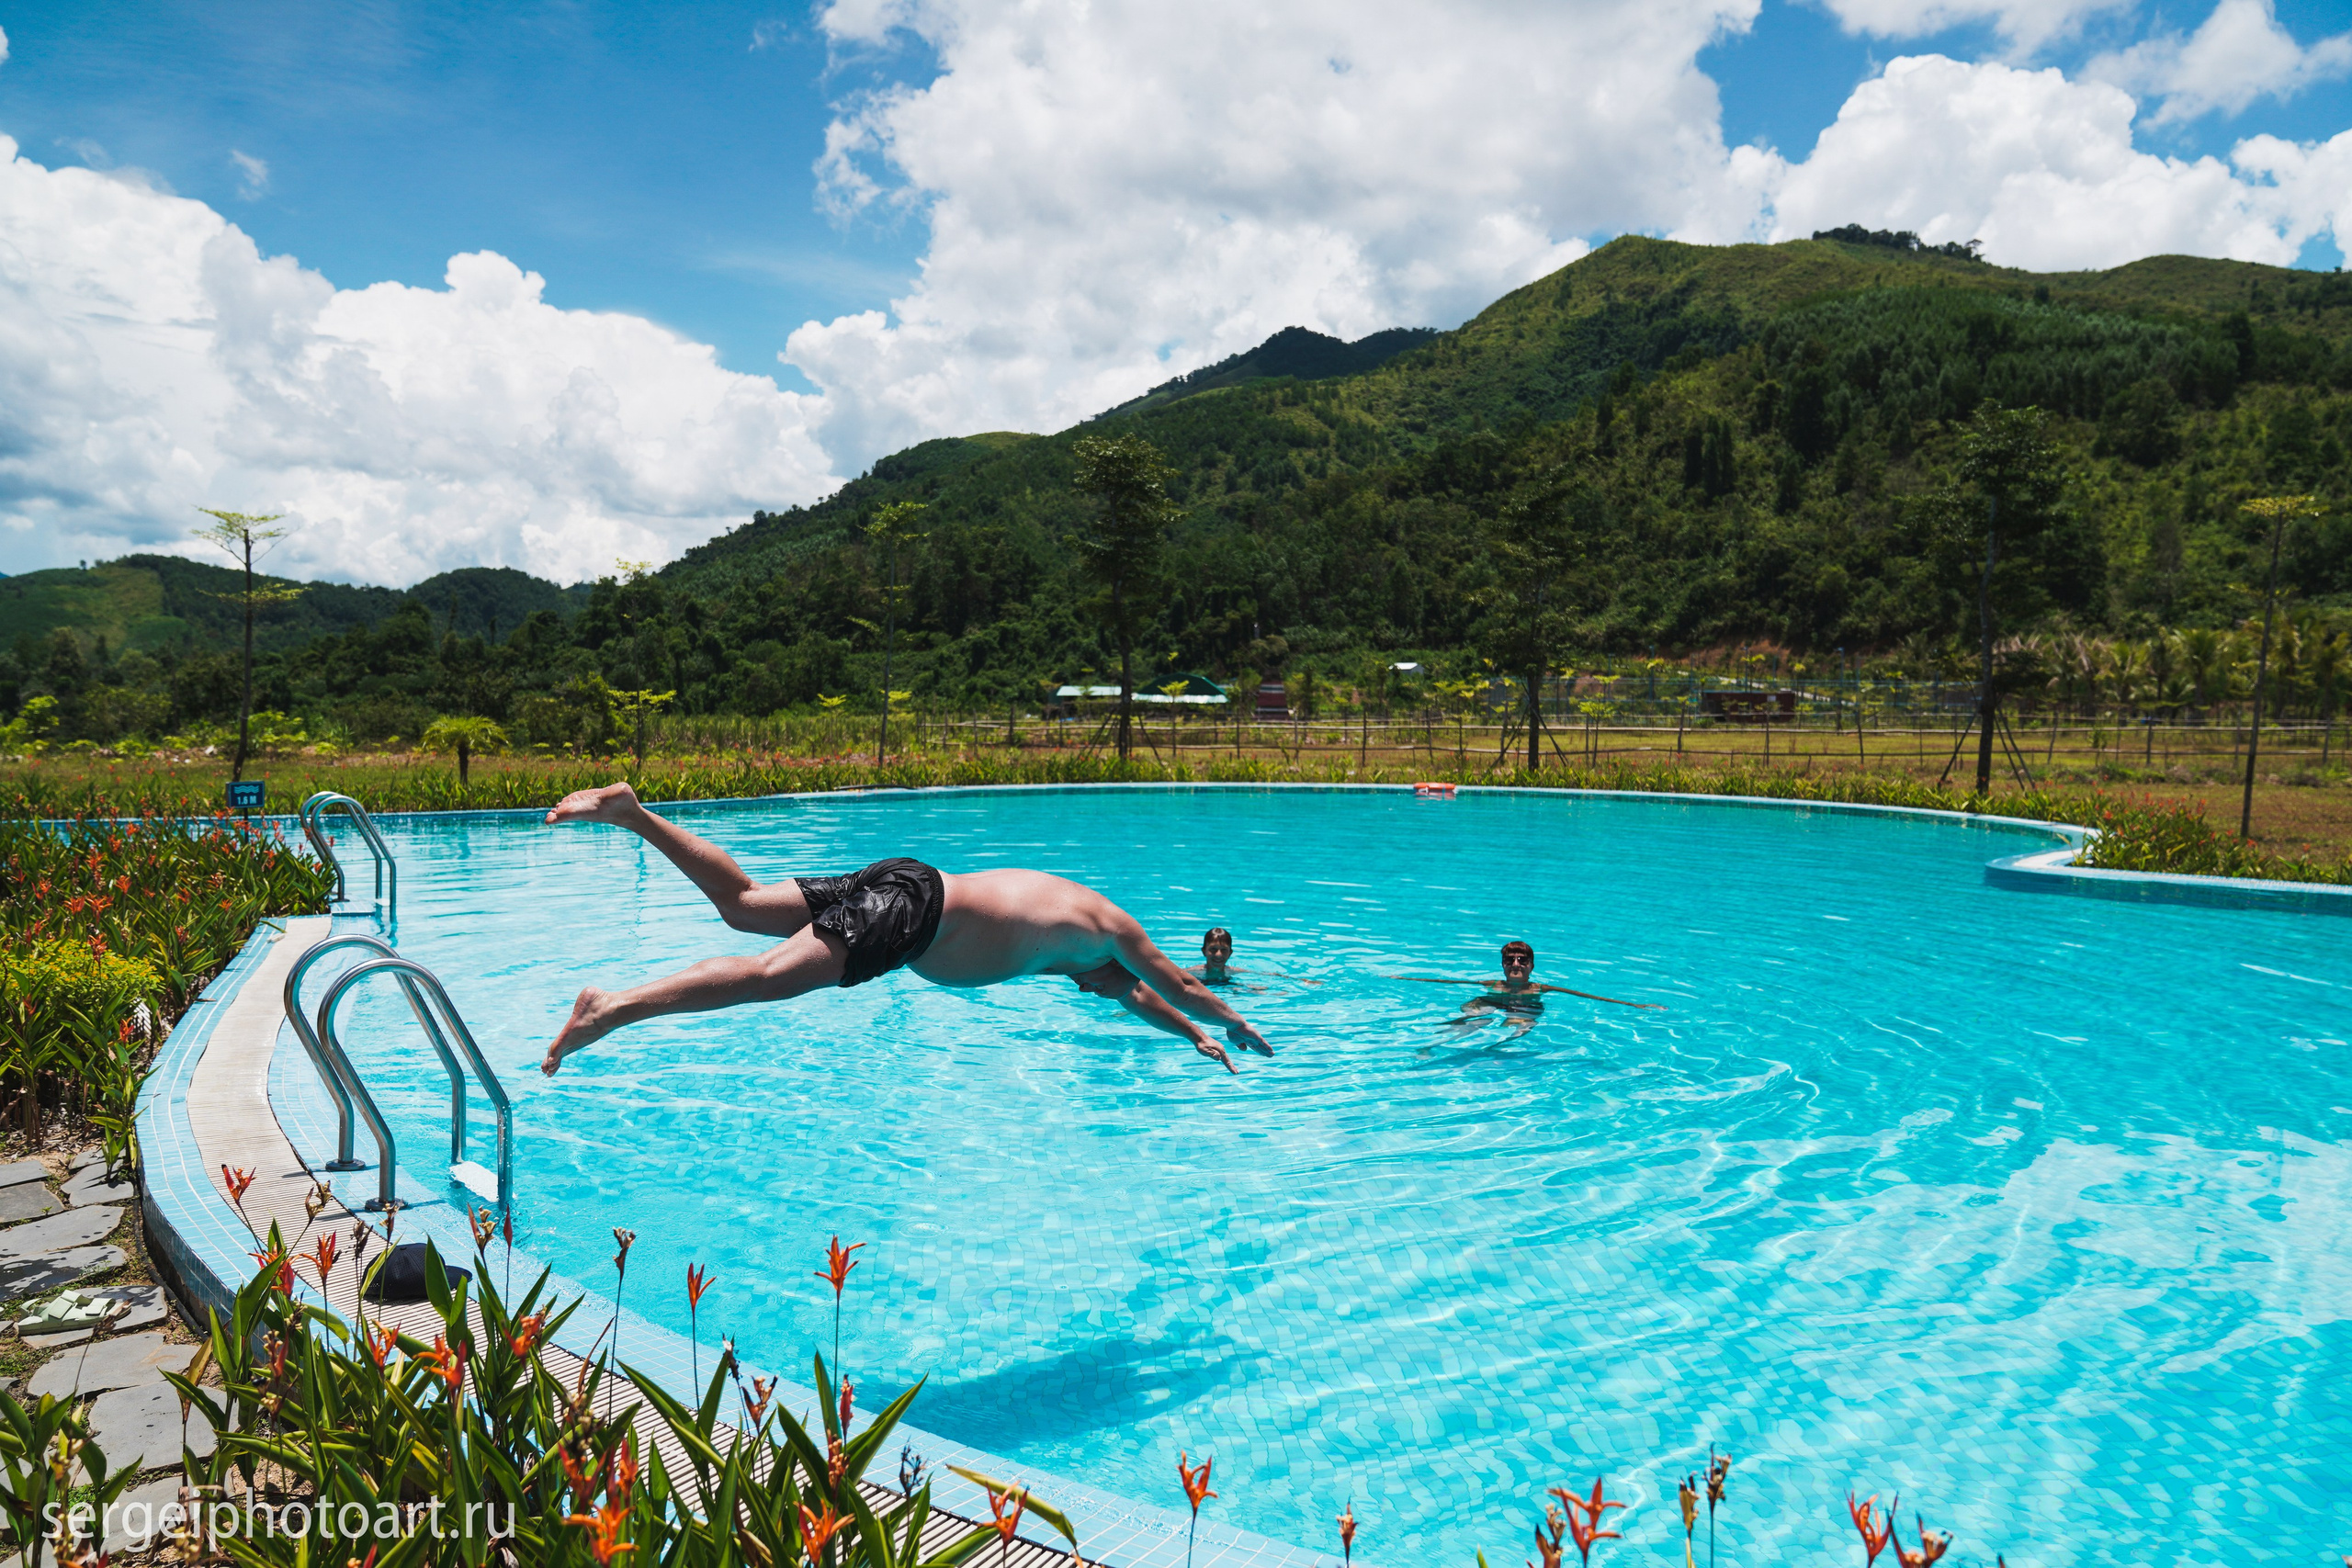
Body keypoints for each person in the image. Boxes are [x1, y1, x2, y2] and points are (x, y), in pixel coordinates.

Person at [536, 783, 1272, 1075]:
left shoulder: (1088, 942)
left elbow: (1137, 994)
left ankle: (633, 813)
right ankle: (611, 1008)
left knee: (745, 903)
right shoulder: (1115, 926)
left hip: (907, 880)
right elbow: (1168, 978)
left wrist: (1191, 1035)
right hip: (914, 915)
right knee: (765, 979)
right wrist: (1232, 1017)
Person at [1402, 940, 1659, 1037]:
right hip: (1492, 1001)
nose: (1516, 963)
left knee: (1517, 1026)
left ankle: (1497, 1051)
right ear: (1502, 965)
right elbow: (1447, 982)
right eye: (1510, 960)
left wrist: (1635, 1005)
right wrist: (1406, 979)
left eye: (1522, 960)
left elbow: (1589, 996)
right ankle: (1440, 1036)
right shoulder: (1490, 984)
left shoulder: (1541, 988)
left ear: (1531, 966)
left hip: (1526, 1006)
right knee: (1475, 1015)